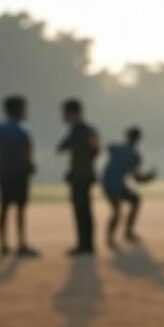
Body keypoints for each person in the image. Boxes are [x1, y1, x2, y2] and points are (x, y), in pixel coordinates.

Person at [0, 95, 37, 257]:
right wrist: (29, 165)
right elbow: (28, 152)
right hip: (20, 174)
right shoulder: (24, 130)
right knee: (20, 209)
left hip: (4, 173)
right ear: (19, 110)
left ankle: (3, 244)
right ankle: (21, 243)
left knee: (4, 207)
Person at [58, 98, 100, 255]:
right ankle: (87, 244)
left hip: (79, 176)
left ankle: (84, 244)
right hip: (86, 174)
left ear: (72, 113)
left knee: (80, 210)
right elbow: (96, 150)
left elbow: (61, 147)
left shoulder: (77, 130)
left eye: (65, 113)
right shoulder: (89, 130)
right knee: (85, 210)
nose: (63, 117)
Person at [101, 126, 156, 247]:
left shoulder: (115, 148)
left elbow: (107, 147)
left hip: (108, 183)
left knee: (129, 204)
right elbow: (138, 179)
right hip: (113, 185)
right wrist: (149, 177)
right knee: (120, 209)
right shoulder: (135, 156)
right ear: (138, 139)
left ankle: (121, 234)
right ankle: (121, 234)